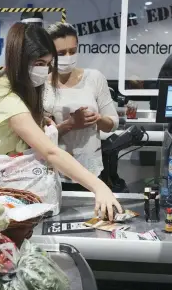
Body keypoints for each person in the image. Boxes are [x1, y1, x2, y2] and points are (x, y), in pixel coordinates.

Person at [0, 22, 122, 220]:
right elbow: (50, 151)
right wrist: (99, 187)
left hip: (3, 178)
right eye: (38, 64)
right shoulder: (4, 97)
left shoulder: (19, 90)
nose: (44, 71)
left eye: (47, 64)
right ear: (19, 60)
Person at [43, 22, 119, 189]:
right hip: (54, 171)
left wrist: (97, 119)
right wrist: (70, 125)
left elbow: (113, 124)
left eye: (73, 51)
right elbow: (39, 138)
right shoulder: (41, 85)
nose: (68, 57)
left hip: (90, 171)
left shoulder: (94, 78)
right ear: (48, 54)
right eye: (61, 53)